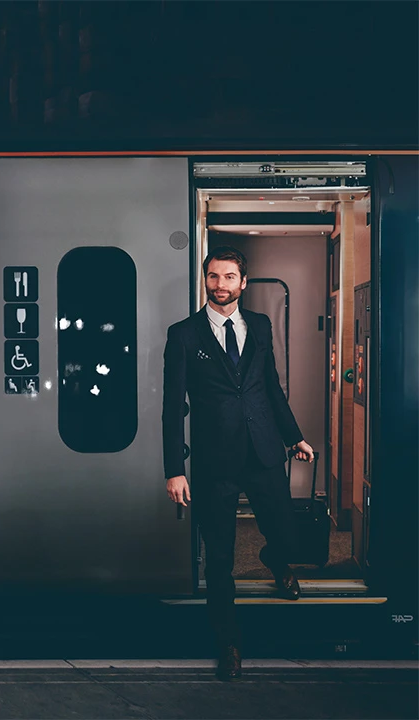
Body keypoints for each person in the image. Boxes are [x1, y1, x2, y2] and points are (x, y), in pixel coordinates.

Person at [162, 246, 314, 681]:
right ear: (205, 280)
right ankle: (228, 643)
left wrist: (294, 436)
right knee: (221, 560)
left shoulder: (261, 326)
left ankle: (273, 558)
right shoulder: (184, 335)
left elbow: (271, 389)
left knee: (286, 534)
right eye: (213, 277)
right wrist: (175, 469)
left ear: (243, 283)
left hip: (264, 450)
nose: (220, 285)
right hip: (215, 463)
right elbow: (173, 408)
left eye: (229, 277)